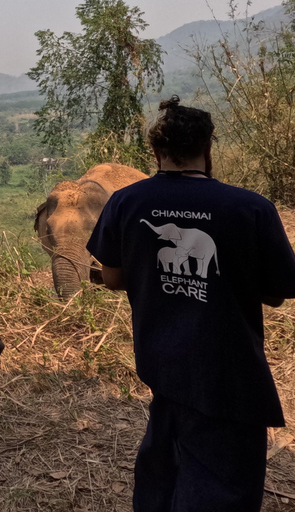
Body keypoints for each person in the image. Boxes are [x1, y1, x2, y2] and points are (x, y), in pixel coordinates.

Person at [86, 95, 295, 511]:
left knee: (164, 464)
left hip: (161, 361)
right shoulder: (252, 207)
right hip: (229, 371)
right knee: (223, 481)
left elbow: (111, 277)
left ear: (156, 152)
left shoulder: (126, 202)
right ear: (208, 148)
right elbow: (279, 291)